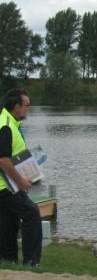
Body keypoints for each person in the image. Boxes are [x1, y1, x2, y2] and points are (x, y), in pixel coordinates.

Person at [0, 89, 42, 267]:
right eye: (27, 105)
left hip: (6, 185)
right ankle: (31, 261)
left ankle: (8, 260)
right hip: (6, 186)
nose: (28, 109)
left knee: (9, 221)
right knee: (31, 212)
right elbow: (3, 160)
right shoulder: (6, 126)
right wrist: (21, 181)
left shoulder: (10, 123)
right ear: (16, 107)